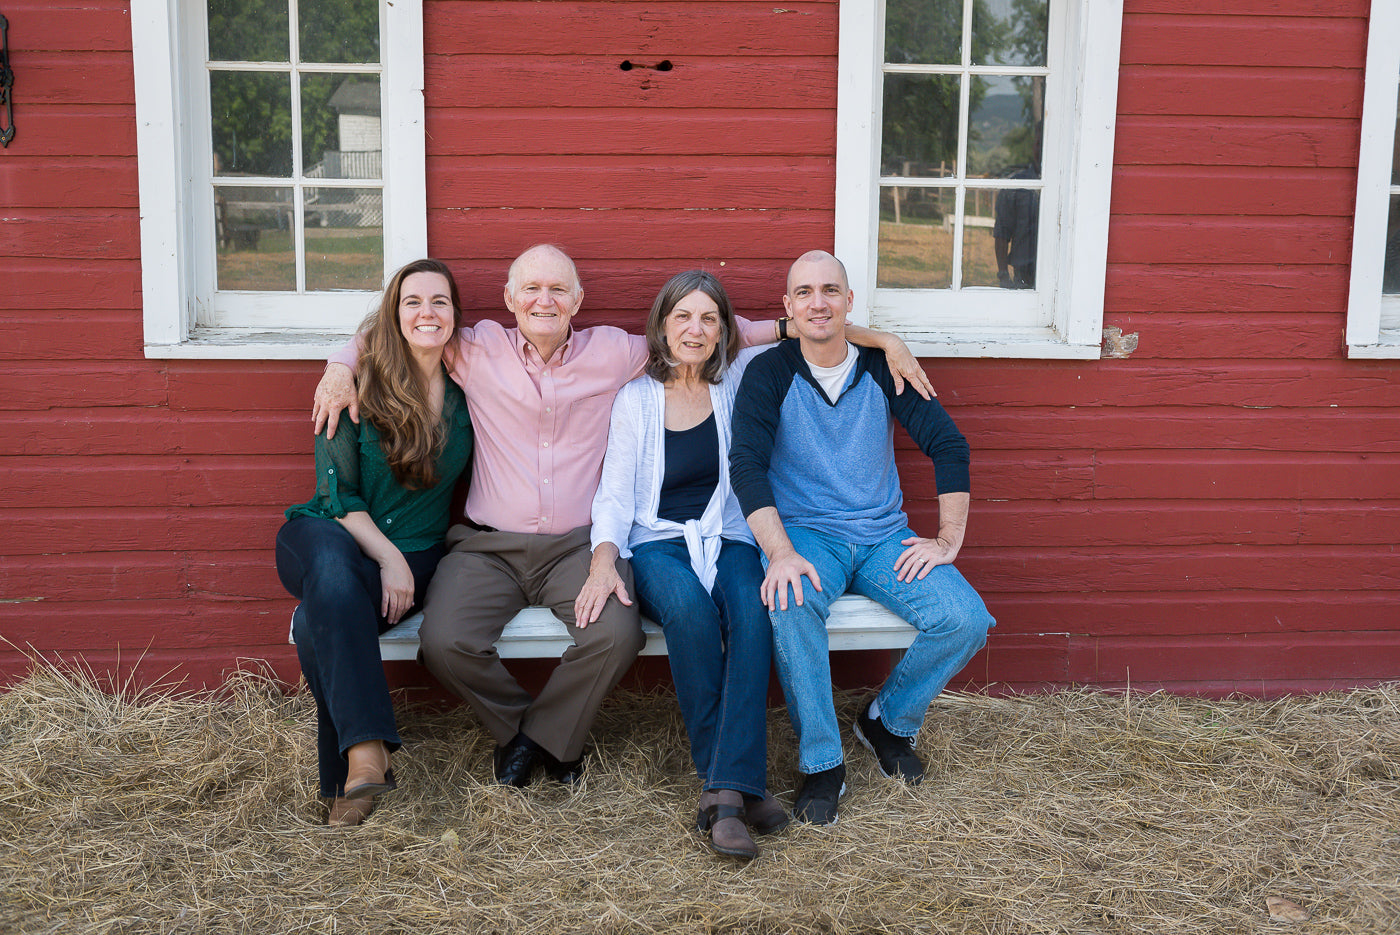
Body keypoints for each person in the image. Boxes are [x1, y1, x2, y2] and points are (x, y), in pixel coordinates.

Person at [312, 245, 934, 789]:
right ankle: (533, 735)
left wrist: (880, 339)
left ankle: (553, 743)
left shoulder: (616, 352)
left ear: (579, 299)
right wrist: (342, 363)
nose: (544, 300)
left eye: (558, 288)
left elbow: (730, 330)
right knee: (443, 642)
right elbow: (397, 328)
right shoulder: (472, 348)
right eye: (530, 287)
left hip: (578, 547)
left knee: (617, 634)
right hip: (486, 545)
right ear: (507, 297)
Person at [729, 250, 996, 825]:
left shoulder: (882, 368)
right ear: (788, 307)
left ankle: (887, 722)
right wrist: (779, 553)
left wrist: (948, 540)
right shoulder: (768, 372)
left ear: (849, 302)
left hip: (882, 537)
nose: (817, 302)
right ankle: (823, 763)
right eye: (804, 292)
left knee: (965, 618)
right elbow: (746, 466)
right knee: (790, 598)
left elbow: (948, 446)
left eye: (830, 290)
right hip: (808, 536)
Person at [575, 272, 784, 860]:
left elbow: (809, 329)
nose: (695, 330)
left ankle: (723, 793)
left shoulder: (737, 383)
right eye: (682, 318)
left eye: (708, 319)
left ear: (723, 332)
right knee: (690, 615)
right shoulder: (636, 398)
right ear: (661, 326)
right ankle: (739, 786)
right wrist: (602, 561)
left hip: (730, 533)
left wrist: (886, 341)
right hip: (658, 542)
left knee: (753, 612)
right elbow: (614, 495)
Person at [276, 258, 474, 827]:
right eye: (412, 301)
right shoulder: (356, 386)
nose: (426, 312)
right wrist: (388, 559)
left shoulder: (470, 392)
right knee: (333, 573)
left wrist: (401, 557)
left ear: (456, 314)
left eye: (439, 301)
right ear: (393, 313)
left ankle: (348, 778)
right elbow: (335, 496)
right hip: (327, 531)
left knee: (320, 621)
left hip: (418, 548)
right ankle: (368, 749)